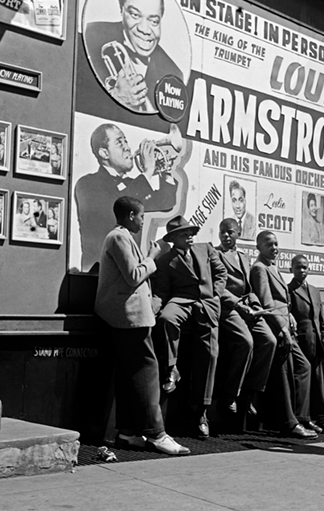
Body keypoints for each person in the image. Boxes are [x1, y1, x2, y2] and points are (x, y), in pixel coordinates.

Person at [95, 197, 190, 456]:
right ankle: (157, 434)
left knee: (130, 376)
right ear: (129, 215)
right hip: (130, 318)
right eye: (140, 216)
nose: (142, 220)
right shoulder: (118, 238)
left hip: (131, 318)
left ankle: (127, 433)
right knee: (147, 374)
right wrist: (152, 257)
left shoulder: (121, 236)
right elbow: (133, 275)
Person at [152, 216, 227, 439]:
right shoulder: (165, 261)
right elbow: (162, 291)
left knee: (210, 353)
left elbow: (221, 273)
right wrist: (152, 307)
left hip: (206, 303)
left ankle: (202, 413)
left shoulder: (206, 249)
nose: (190, 236)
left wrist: (216, 295)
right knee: (166, 319)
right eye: (185, 234)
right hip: (182, 299)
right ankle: (172, 369)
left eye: (192, 233)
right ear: (174, 239)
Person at [74, 123, 178, 272]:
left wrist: (166, 171)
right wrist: (147, 171)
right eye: (119, 142)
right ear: (104, 153)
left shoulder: (132, 184)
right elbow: (116, 206)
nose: (127, 147)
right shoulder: (87, 183)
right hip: (100, 271)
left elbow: (165, 202)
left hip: (130, 268)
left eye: (126, 141)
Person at [84, 0, 183, 112]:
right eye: (135, 15)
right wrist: (115, 96)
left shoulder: (173, 74)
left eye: (154, 21)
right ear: (121, 9)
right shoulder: (91, 35)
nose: (145, 29)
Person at [250, 231, 317, 439]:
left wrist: (291, 317)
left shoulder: (272, 267)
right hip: (276, 329)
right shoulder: (259, 268)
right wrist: (283, 329)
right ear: (258, 248)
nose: (274, 248)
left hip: (286, 326)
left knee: (303, 366)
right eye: (269, 244)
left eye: (276, 243)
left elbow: (282, 301)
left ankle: (300, 417)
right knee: (284, 376)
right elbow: (267, 303)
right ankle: (289, 423)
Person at [215, 218, 276, 426]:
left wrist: (256, 306)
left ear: (238, 233)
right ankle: (230, 394)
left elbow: (249, 290)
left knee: (269, 341)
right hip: (228, 308)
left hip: (247, 308)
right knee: (246, 342)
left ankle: (249, 393)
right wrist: (239, 306)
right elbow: (218, 289)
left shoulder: (243, 257)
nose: (225, 236)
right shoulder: (215, 255)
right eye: (222, 232)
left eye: (230, 232)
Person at [288, 255, 324, 436]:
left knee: (318, 384)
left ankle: (322, 419)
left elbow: (320, 319)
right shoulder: (289, 291)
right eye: (298, 267)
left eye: (304, 267)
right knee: (304, 383)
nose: (302, 271)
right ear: (291, 269)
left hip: (316, 343)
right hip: (301, 343)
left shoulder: (315, 291)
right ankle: (304, 419)